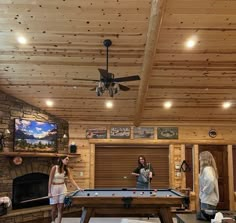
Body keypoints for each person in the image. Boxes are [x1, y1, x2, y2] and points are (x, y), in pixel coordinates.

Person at [48, 155, 81, 223]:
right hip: (54, 188)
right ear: (62, 160)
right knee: (54, 208)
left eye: (68, 159)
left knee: (61, 208)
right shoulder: (54, 168)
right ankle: (53, 221)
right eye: (66, 159)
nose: (67, 161)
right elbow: (50, 180)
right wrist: (49, 192)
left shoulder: (67, 169)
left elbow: (71, 179)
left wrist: (78, 187)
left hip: (62, 188)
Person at [196, 151, 219, 221]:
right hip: (209, 200)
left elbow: (210, 180)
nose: (199, 160)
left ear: (204, 159)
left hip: (208, 201)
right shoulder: (210, 169)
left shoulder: (207, 169)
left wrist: (205, 190)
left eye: (200, 158)